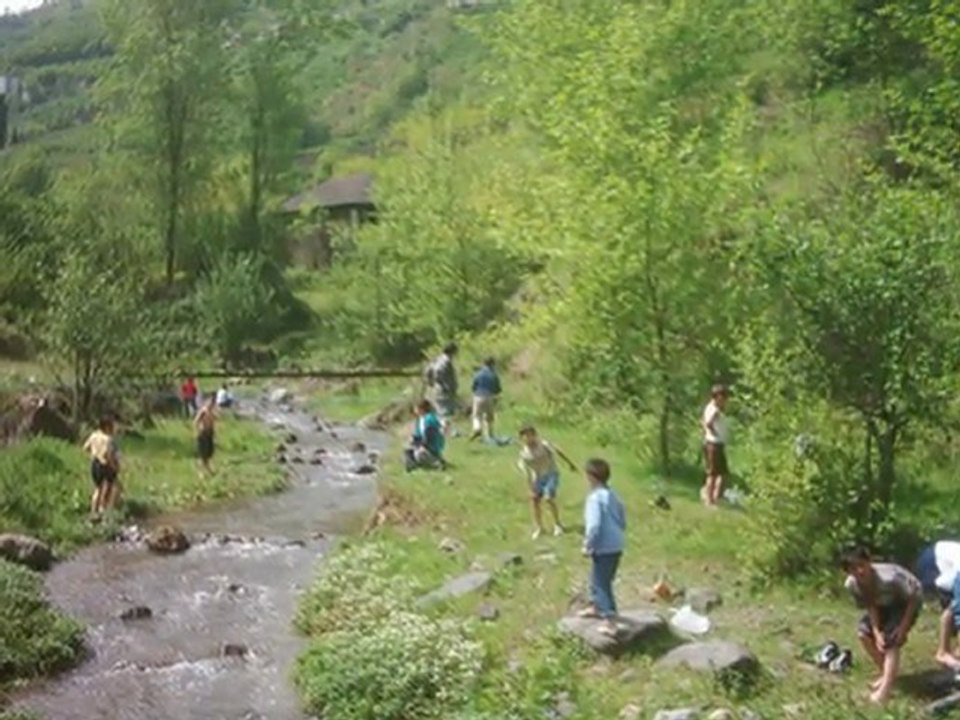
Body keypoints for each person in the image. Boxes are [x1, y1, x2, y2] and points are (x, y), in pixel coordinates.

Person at [842, 546, 923, 704]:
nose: (859, 571)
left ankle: (885, 690)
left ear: (869, 562)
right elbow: (870, 604)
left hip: (906, 601)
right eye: (853, 568)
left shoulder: (889, 578)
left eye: (861, 565)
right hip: (882, 603)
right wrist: (876, 632)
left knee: (891, 639)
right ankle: (887, 674)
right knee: (864, 634)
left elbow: (913, 598)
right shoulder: (852, 584)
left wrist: (902, 628)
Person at [577, 458, 627, 637]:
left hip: (603, 545)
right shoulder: (612, 494)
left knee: (601, 584)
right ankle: (596, 606)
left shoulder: (594, 499)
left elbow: (594, 526)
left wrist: (587, 544)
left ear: (591, 477)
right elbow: (622, 515)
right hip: (616, 543)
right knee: (598, 578)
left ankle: (610, 621)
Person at [517, 425, 577, 539]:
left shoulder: (544, 445)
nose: (529, 438)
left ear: (535, 435)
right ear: (522, 438)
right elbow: (526, 472)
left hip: (551, 474)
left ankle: (557, 525)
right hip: (537, 477)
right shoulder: (524, 453)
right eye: (526, 436)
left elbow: (558, 452)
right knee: (535, 500)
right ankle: (539, 527)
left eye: (531, 435)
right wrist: (530, 487)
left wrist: (570, 464)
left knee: (548, 497)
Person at [916, 540, 960, 670]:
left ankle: (955, 652)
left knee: (954, 607)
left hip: (947, 562)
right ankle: (943, 652)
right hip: (932, 561)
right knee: (954, 608)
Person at [82, 415, 120, 517]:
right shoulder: (108, 439)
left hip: (94, 463)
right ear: (107, 427)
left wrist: (94, 453)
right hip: (105, 464)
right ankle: (107, 510)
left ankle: (93, 511)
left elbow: (85, 447)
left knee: (98, 488)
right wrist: (114, 466)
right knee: (113, 486)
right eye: (112, 425)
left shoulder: (93, 435)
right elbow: (108, 454)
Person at [701, 384, 730, 507]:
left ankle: (715, 497)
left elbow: (702, 421)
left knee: (722, 473)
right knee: (712, 474)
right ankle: (709, 500)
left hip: (717, 443)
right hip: (713, 443)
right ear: (717, 396)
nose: (725, 400)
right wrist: (714, 432)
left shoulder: (711, 408)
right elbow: (708, 422)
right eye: (723, 397)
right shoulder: (714, 410)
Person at [426, 343, 459, 436]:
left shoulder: (437, 359)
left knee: (441, 410)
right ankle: (444, 431)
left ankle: (444, 430)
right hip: (444, 389)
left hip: (438, 388)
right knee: (445, 411)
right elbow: (438, 373)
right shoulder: (446, 361)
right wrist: (444, 385)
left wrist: (431, 382)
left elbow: (428, 371)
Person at [404, 399, 446, 471]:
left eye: (416, 408)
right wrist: (413, 440)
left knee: (419, 454)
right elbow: (418, 435)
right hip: (424, 445)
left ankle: (436, 462)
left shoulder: (429, 420)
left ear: (421, 409)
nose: (415, 410)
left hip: (432, 448)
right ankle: (413, 464)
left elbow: (430, 438)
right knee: (407, 449)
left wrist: (420, 445)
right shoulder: (420, 419)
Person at [469, 357, 502, 442]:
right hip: (490, 397)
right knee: (489, 417)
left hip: (478, 396)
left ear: (484, 363)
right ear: (492, 364)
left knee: (476, 415)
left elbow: (473, 386)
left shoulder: (478, 374)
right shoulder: (494, 375)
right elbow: (498, 389)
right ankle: (490, 434)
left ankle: (477, 428)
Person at [194, 395, 217, 476]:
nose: (211, 404)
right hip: (203, 433)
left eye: (213, 403)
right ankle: (201, 472)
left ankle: (208, 470)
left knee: (209, 453)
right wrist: (199, 429)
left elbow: (213, 422)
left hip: (209, 433)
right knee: (203, 454)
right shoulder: (203, 411)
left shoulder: (212, 412)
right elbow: (196, 421)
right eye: (210, 402)